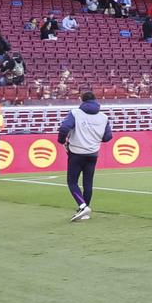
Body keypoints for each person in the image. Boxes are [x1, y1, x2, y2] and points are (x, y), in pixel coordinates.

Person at [56, 90, 114, 222]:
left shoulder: (76, 113)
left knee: (72, 182)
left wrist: (61, 140)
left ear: (82, 100)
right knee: (88, 183)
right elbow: (108, 137)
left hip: (76, 153)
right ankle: (85, 212)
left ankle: (83, 206)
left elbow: (64, 127)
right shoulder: (103, 117)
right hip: (92, 154)